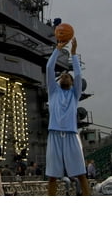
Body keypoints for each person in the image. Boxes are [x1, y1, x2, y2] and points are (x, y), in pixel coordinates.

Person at [45, 37, 90, 195]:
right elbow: (49, 67)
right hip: (54, 135)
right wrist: (57, 49)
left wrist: (74, 53)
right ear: (58, 82)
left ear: (72, 82)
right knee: (52, 176)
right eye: (62, 76)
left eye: (67, 76)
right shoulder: (53, 92)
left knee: (81, 174)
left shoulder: (74, 94)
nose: (64, 76)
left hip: (71, 135)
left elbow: (78, 75)